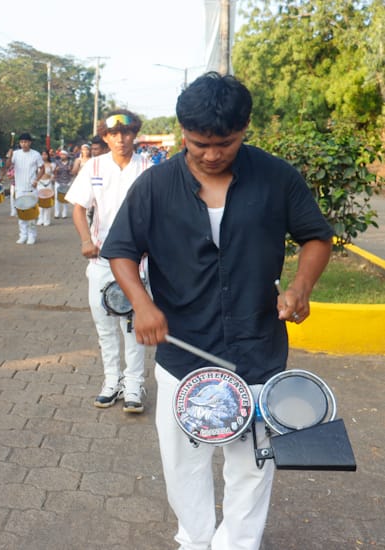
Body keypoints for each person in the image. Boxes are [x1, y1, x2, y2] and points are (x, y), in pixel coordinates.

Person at [105, 72, 333, 550]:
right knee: (183, 463)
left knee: (252, 462)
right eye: (199, 144)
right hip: (183, 353)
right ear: (183, 133)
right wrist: (143, 304)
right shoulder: (155, 185)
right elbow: (122, 250)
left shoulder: (276, 177)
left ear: (245, 128)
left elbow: (316, 236)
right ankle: (195, 539)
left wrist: (300, 287)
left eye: (224, 144)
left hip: (257, 348)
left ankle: (238, 543)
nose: (211, 154)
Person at [65, 110, 152, 413]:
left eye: (126, 132)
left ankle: (134, 385)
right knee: (105, 325)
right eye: (113, 134)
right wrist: (85, 240)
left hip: (137, 261)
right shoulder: (94, 166)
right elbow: (79, 208)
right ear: (105, 136)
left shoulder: (148, 167)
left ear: (134, 134)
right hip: (101, 259)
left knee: (133, 325)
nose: (120, 139)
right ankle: (111, 381)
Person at [5, 133, 43, 245]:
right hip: (19, 188)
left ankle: (32, 235)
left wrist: (36, 180)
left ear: (30, 142)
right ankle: (23, 235)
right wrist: (9, 157)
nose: (24, 144)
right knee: (21, 213)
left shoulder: (36, 154)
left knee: (31, 214)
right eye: (21, 142)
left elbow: (42, 169)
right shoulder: (15, 154)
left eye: (26, 142)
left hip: (31, 188)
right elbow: (7, 166)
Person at [36, 149, 56, 226]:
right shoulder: (37, 165)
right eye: (42, 154)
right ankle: (40, 219)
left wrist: (52, 178)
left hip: (48, 183)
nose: (44, 156)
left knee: (48, 202)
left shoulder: (52, 165)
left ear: (48, 155)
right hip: (40, 183)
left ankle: (47, 220)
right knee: (40, 202)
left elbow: (54, 174)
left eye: (45, 154)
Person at [53, 149, 73, 219]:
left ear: (67, 155)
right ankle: (56, 214)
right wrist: (56, 170)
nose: (62, 156)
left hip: (67, 181)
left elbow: (72, 173)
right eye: (61, 155)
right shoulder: (57, 162)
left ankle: (64, 214)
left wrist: (70, 170)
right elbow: (54, 172)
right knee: (57, 197)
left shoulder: (70, 162)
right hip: (58, 181)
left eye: (64, 155)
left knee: (65, 197)